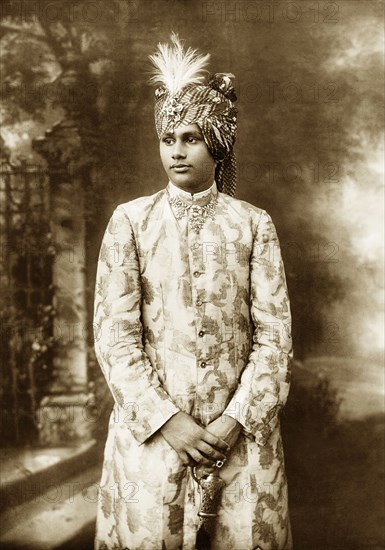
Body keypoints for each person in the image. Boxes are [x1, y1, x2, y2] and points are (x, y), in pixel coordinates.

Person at [94, 33, 293, 550]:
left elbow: (275, 340)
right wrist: (170, 424)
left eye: (191, 138)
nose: (177, 151)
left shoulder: (253, 224)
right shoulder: (131, 222)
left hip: (240, 441)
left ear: (218, 143)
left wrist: (234, 421)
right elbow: (115, 339)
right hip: (153, 440)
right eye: (168, 139)